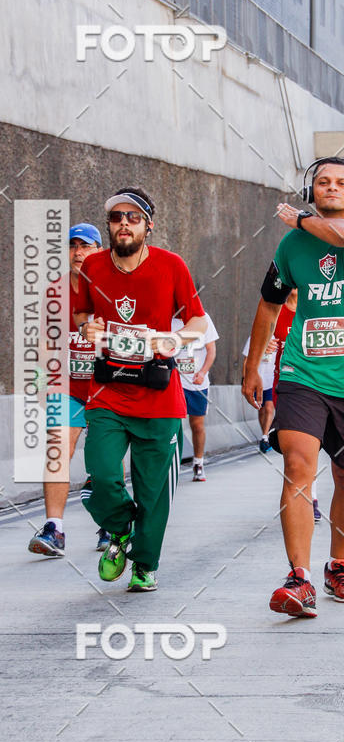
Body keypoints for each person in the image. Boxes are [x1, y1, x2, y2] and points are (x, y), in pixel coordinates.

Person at [243, 156, 344, 617]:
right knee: (298, 467)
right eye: (322, 182)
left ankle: (338, 564)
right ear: (312, 188)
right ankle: (299, 578)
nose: (331, 188)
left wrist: (304, 219)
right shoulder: (290, 246)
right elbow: (268, 305)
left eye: (341, 183)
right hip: (302, 373)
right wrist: (252, 368)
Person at [73, 187, 206, 592]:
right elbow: (81, 312)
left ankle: (145, 564)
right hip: (107, 392)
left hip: (158, 397)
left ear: (149, 224)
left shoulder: (172, 265)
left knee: (154, 494)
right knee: (102, 478)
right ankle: (120, 530)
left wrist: (173, 339)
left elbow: (198, 323)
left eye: (133, 217)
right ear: (108, 226)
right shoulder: (92, 266)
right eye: (116, 218)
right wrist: (86, 325)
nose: (124, 224)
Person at [28, 223, 111, 557]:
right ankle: (54, 529)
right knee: (57, 449)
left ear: (99, 252)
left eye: (86, 246)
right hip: (68, 388)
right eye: (73, 246)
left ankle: (109, 524)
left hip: (107, 389)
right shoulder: (55, 292)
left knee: (105, 462)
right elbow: (46, 342)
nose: (79, 253)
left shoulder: (110, 289)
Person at [272, 290, 321, 522]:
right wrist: (264, 350)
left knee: (309, 448)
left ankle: (311, 496)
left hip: (313, 386)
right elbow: (259, 345)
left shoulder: (317, 310)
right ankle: (298, 493)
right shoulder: (274, 311)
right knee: (294, 455)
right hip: (285, 386)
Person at [172, 312, 219, 482]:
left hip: (196, 382)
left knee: (197, 425)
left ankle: (198, 463)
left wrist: (202, 372)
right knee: (172, 425)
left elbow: (211, 350)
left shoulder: (204, 317)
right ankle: (170, 464)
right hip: (174, 382)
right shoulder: (168, 318)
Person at [242, 335, 276, 452]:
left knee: (269, 407)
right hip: (258, 379)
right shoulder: (254, 336)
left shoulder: (280, 336)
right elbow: (246, 359)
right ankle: (264, 435)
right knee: (261, 409)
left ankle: (265, 437)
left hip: (272, 378)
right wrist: (245, 379)